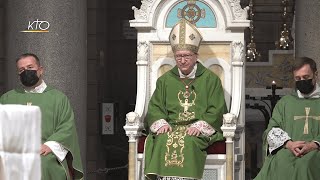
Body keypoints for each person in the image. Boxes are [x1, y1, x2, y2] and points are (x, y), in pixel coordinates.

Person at [143, 19, 227, 180]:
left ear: (196, 55)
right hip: (171, 127)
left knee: (188, 141)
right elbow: (155, 107)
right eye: (178, 56)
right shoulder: (165, 80)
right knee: (161, 140)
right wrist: (161, 122)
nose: (182, 60)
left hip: (197, 130)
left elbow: (216, 109)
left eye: (187, 56)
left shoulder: (211, 79)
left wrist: (200, 125)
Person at [0, 53, 84, 180]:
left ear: (40, 70)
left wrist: (49, 145)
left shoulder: (58, 98)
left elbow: (66, 127)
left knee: (41, 163)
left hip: (45, 152)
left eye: (30, 67)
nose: (25, 72)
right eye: (21, 70)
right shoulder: (7, 98)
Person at [254, 57, 320, 180]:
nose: (302, 81)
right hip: (289, 149)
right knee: (280, 162)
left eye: (306, 77)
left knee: (305, 165)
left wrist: (314, 144)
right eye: (297, 78)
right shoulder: (285, 103)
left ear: (315, 74)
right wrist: (288, 144)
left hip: (316, 151)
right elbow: (272, 129)